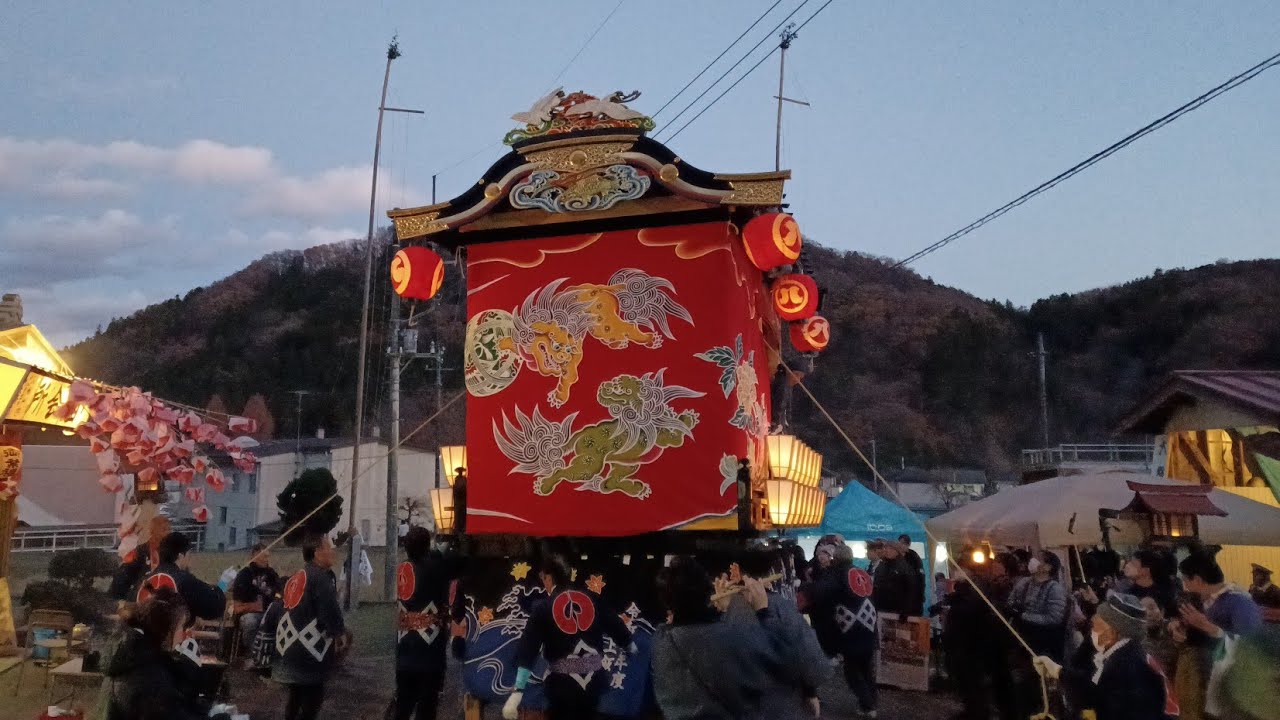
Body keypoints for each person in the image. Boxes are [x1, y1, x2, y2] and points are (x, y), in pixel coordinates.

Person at [650, 555, 790, 720]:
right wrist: (762, 610)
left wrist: (723, 610)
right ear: (705, 592)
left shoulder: (660, 638)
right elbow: (771, 668)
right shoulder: (717, 638)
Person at [504, 554, 632, 720]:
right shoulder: (592, 599)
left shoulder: (543, 608)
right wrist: (632, 648)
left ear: (548, 577)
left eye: (543, 579)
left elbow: (528, 649)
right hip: (592, 684)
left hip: (561, 687)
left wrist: (517, 691)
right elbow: (619, 630)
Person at [722, 547, 829, 718]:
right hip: (780, 701)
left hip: (739, 703)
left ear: (738, 571)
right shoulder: (782, 607)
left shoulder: (727, 608)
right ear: (770, 570)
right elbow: (808, 655)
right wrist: (810, 690)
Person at [1033, 593, 1175, 720]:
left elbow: (1100, 699)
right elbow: (1094, 689)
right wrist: (1058, 672)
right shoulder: (1123, 656)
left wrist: (1060, 673)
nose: (1092, 630)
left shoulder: (1127, 664)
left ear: (1112, 632)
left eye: (1096, 626)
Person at [101, 587, 230, 720]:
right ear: (166, 630)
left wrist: (187, 674)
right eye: (181, 627)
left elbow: (175, 706)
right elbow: (169, 712)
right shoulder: (148, 678)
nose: (182, 635)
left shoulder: (138, 656)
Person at [275, 534, 349, 720]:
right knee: (311, 702)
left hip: (288, 646)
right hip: (308, 651)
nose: (332, 552)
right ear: (317, 553)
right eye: (328, 548)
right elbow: (329, 611)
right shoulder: (320, 579)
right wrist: (339, 634)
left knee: (295, 697)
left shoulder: (297, 577)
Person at [804, 540, 879, 718]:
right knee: (866, 667)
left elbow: (819, 593)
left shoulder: (837, 574)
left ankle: (868, 705)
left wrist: (809, 585)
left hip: (851, 626)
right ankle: (870, 702)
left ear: (835, 558)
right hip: (869, 624)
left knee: (852, 670)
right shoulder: (861, 572)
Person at [395, 527, 462, 720]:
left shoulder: (403, 568)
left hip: (404, 647)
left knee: (404, 704)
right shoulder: (435, 568)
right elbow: (459, 562)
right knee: (427, 706)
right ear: (427, 545)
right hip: (428, 651)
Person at [137, 532, 226, 623]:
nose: (189, 560)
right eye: (188, 555)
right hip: (173, 635)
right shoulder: (184, 580)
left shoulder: (145, 580)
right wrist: (222, 585)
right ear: (180, 556)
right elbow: (214, 607)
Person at [1008, 550, 1068, 659]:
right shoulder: (1024, 582)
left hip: (1042, 640)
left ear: (1048, 567)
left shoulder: (1055, 589)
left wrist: (1024, 616)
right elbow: (1011, 600)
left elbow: (1054, 618)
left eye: (1039, 559)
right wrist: (1013, 608)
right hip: (1021, 634)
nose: (1033, 561)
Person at [231, 542, 281, 651]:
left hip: (270, 612)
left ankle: (274, 654)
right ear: (254, 556)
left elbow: (279, 593)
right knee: (250, 621)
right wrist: (254, 607)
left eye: (268, 557)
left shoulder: (271, 574)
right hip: (250, 614)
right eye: (263, 556)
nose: (266, 560)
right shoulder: (244, 575)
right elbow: (237, 608)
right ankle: (255, 654)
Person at [110, 515, 172, 601]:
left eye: (169, 530)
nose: (168, 533)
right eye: (164, 530)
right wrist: (119, 601)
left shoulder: (172, 553)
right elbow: (122, 576)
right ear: (152, 531)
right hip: (142, 600)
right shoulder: (140, 551)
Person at [1116, 549, 1178, 617]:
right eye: (1129, 562)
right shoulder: (1128, 592)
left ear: (1146, 570)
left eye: (1133, 564)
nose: (1127, 565)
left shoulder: (1164, 592)